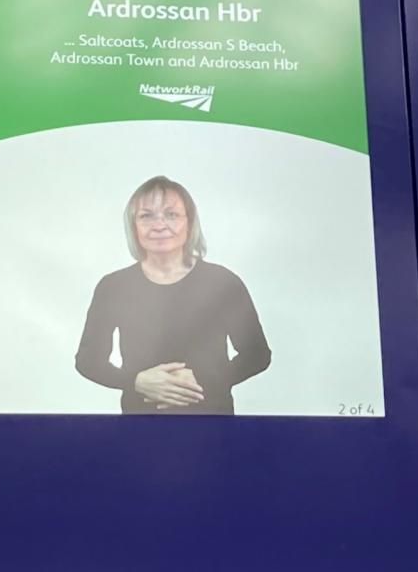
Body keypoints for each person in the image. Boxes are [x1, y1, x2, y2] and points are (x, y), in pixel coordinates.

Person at [74, 176, 271, 413]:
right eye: (146, 216)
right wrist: (135, 381)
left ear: (189, 223)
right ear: (134, 225)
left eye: (171, 215)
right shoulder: (113, 287)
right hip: (140, 431)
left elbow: (257, 354)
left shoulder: (223, 283)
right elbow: (88, 360)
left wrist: (203, 381)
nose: (159, 225)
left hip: (213, 428)